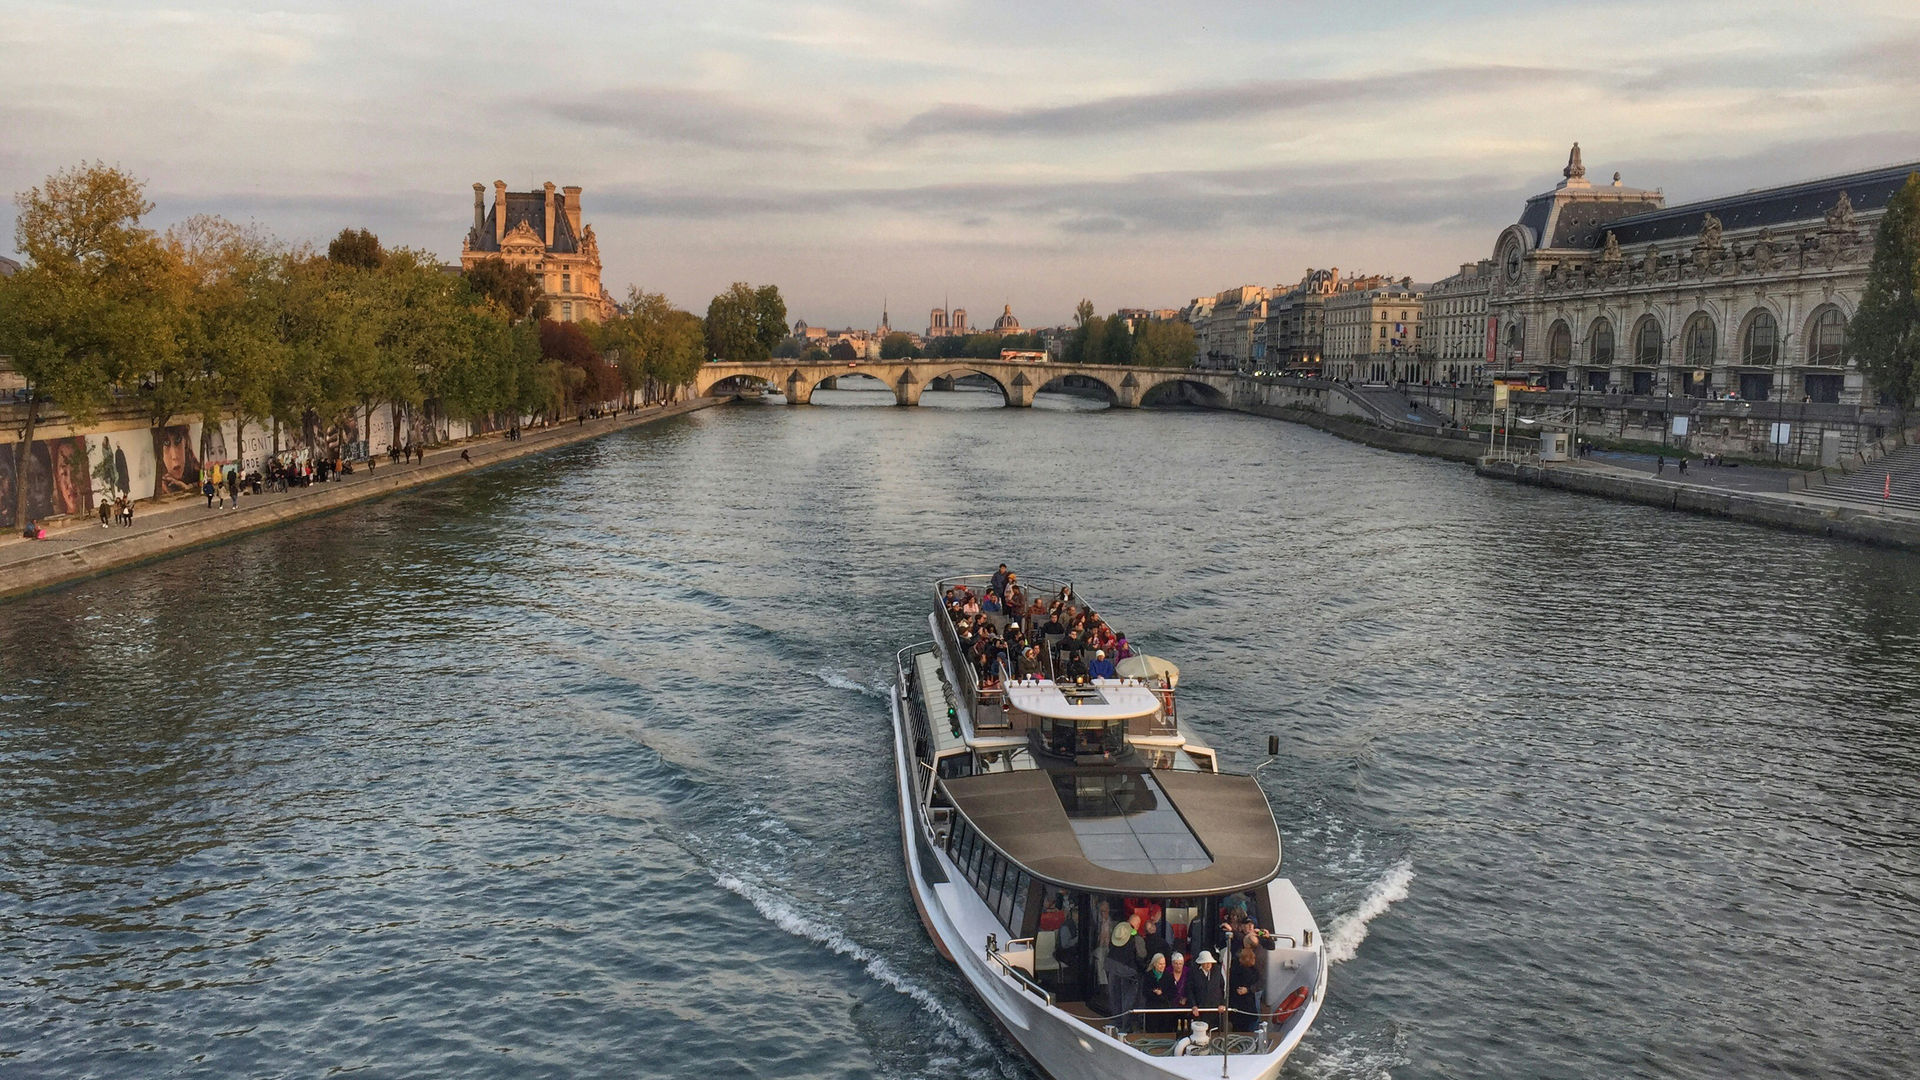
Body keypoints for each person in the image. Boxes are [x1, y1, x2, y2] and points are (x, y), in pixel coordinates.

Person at [1104, 924, 1142, 1030]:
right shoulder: (1134, 940)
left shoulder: (1113, 943)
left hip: (1112, 966)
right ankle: (1125, 1026)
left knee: (1115, 997)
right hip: (1128, 971)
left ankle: (1117, 1022)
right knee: (1127, 999)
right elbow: (1141, 956)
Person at [1228, 945, 1265, 1026]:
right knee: (1250, 1023)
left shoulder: (1234, 970)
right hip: (1248, 1004)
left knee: (1238, 1024)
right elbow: (1260, 983)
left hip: (1236, 1003)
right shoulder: (1254, 972)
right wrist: (1248, 990)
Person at [1141, 953, 1173, 1032]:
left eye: (1164, 964)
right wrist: (1153, 992)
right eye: (1160, 964)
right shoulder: (1148, 975)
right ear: (1154, 964)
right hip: (1152, 1007)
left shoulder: (1168, 976)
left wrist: (1162, 994)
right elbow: (1144, 991)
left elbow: (1173, 992)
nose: (1162, 966)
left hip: (1164, 1008)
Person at [1189, 950, 1224, 1021]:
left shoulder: (1217, 971)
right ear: (1201, 963)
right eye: (1205, 962)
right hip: (1200, 1009)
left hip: (1215, 1009)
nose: (1208, 965)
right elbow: (1190, 990)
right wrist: (1194, 1005)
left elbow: (1222, 987)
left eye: (1209, 962)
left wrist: (1222, 1003)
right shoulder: (1194, 972)